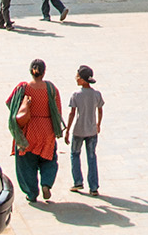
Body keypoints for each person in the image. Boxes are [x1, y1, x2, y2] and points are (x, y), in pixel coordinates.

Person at [6, 59, 64, 204]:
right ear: (44, 72)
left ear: (31, 70)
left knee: (26, 164)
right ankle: (46, 183)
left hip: (28, 129)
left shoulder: (23, 88)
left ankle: (31, 193)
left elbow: (10, 103)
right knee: (49, 159)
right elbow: (57, 111)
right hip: (46, 129)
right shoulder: (51, 88)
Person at [65, 65, 104, 196]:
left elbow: (72, 113)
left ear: (82, 79)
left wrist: (67, 130)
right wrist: (98, 124)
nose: (76, 78)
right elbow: (100, 110)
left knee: (75, 154)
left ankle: (78, 181)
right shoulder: (96, 94)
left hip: (78, 131)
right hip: (92, 130)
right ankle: (93, 187)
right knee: (91, 157)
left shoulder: (76, 95)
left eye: (77, 76)